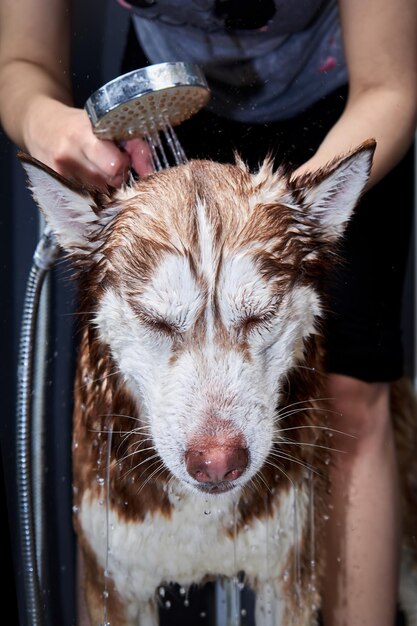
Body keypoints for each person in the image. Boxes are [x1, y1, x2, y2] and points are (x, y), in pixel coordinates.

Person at [0, 1, 416, 625]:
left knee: (352, 392)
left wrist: (294, 224)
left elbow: (391, 83)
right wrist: (44, 123)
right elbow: (23, 60)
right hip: (162, 107)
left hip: (338, 100)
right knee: (118, 413)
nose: (219, 448)